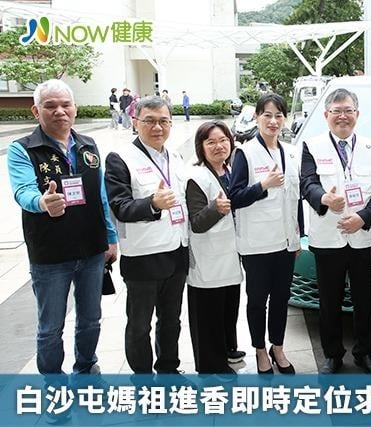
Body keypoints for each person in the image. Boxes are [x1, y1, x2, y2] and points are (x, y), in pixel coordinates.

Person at [7, 79, 118, 394]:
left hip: (92, 249)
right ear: (36, 111)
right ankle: (53, 386)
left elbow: (100, 196)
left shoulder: (88, 145)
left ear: (75, 108)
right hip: (51, 254)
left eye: (65, 104)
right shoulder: (23, 149)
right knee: (50, 328)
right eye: (50, 106)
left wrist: (110, 237)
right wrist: (42, 202)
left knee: (91, 319)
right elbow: (23, 190)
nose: (59, 111)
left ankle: (86, 370)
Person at [300, 88, 371, 374]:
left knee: (365, 299)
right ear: (326, 115)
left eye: (348, 110)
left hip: (362, 237)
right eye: (336, 111)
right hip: (328, 237)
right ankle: (333, 354)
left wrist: (363, 218)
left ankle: (364, 352)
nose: (342, 116)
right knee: (329, 301)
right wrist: (324, 198)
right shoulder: (312, 146)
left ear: (357, 114)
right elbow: (307, 183)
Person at [105, 97, 190, 378]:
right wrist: (152, 204)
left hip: (176, 252)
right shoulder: (120, 158)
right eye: (150, 121)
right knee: (140, 325)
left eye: (163, 121)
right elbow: (120, 206)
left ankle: (169, 370)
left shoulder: (175, 157)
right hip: (143, 257)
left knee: (171, 320)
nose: (157, 127)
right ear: (135, 122)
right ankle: (142, 379)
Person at [228, 93, 300, 375]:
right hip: (256, 244)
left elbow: (295, 199)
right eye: (267, 115)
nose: (273, 121)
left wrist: (297, 237)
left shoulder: (291, 152)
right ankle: (260, 349)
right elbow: (234, 197)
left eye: (278, 115)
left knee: (281, 298)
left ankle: (277, 347)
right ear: (257, 117)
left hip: (285, 242)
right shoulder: (245, 153)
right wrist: (263, 185)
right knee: (258, 300)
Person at [185, 121, 244, 379]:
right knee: (208, 314)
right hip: (208, 259)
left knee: (227, 308)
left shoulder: (229, 170)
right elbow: (197, 222)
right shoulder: (196, 177)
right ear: (201, 147)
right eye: (211, 142)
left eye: (223, 140)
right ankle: (210, 364)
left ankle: (227, 349)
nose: (219, 146)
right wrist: (215, 209)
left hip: (229, 256)